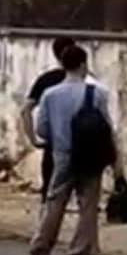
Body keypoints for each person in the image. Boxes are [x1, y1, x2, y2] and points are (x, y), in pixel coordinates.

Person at [26, 45, 112, 255]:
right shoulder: (97, 94)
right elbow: (107, 128)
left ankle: (40, 252)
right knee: (88, 206)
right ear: (83, 65)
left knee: (55, 202)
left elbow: (42, 130)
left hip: (63, 155)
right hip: (91, 156)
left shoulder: (50, 95)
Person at [21, 37, 78, 202]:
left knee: (51, 198)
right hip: (82, 146)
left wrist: (33, 138)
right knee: (86, 200)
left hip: (54, 147)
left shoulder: (47, 81)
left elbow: (25, 110)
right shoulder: (87, 82)